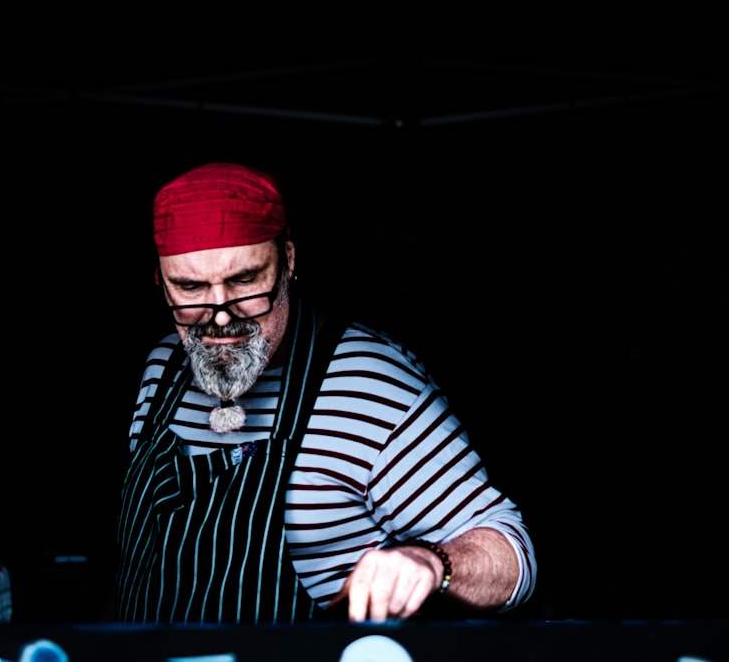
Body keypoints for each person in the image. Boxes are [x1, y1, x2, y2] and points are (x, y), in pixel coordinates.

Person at [115, 161, 536, 624]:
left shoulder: (369, 381)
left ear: (288, 261)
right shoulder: (164, 369)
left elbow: (512, 552)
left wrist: (432, 564)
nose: (219, 316)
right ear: (160, 281)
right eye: (190, 287)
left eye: (244, 281)